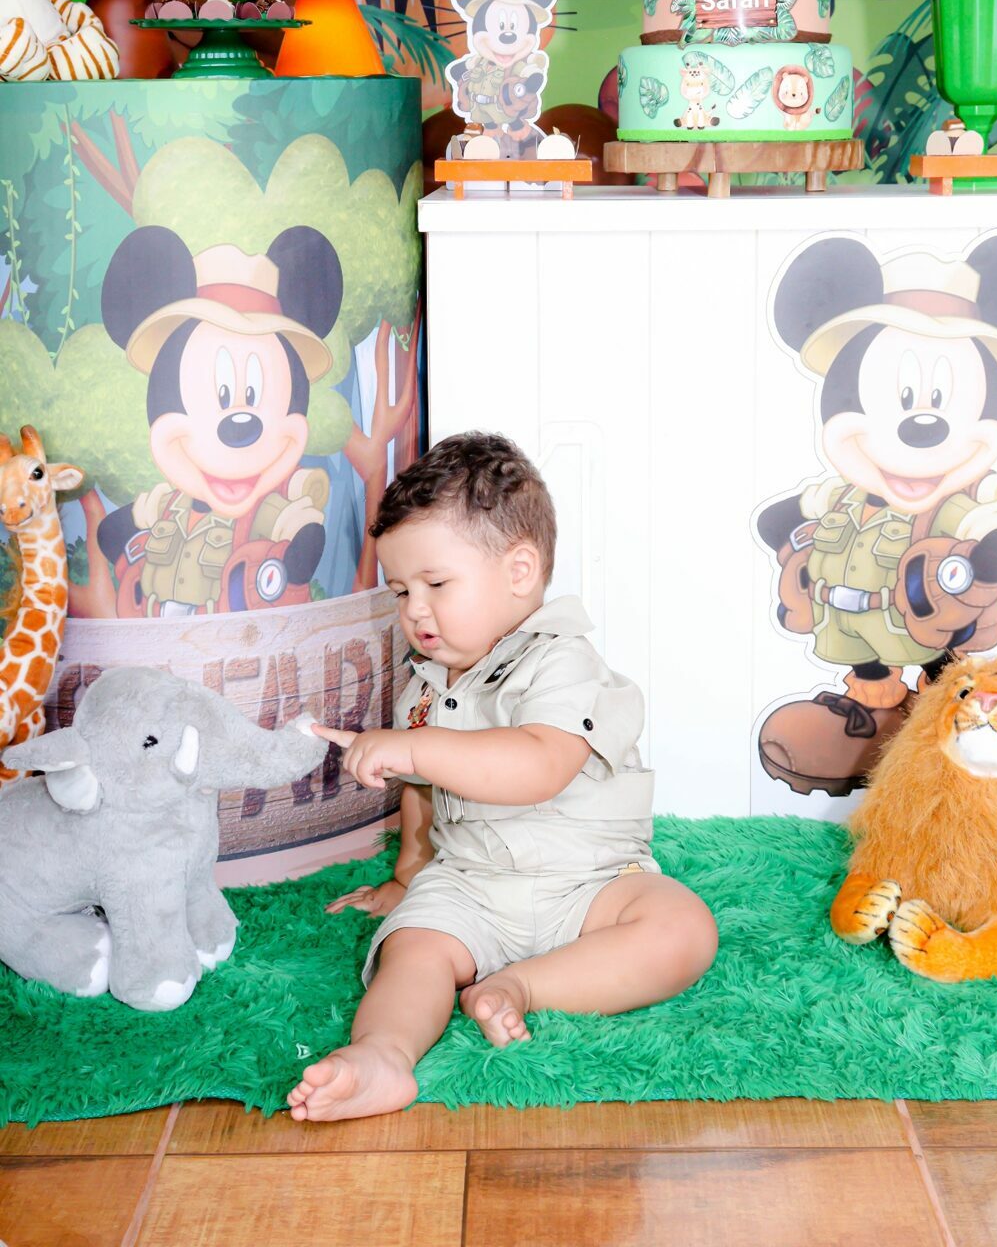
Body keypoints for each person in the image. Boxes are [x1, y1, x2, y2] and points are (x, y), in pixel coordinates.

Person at [287, 432, 718, 1121]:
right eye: (400, 591)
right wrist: (408, 875)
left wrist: (415, 749)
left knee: (682, 928)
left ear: (520, 571)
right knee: (413, 950)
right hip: (472, 886)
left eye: (435, 584)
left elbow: (539, 765)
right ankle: (382, 1056)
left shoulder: (562, 662)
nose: (414, 610)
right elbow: (422, 796)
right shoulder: (423, 688)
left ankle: (522, 986)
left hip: (591, 886)